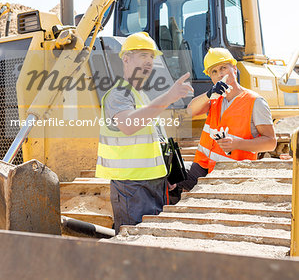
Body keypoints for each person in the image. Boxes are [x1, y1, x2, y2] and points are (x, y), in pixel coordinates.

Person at [95, 31, 194, 234]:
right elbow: (129, 125)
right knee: (134, 243)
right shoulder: (118, 94)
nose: (149, 62)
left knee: (149, 240)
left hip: (152, 182)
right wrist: (169, 97)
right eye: (143, 56)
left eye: (151, 57)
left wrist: (164, 174)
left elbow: (154, 140)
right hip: (132, 186)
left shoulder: (141, 95)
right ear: (126, 58)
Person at [178, 47, 277, 191]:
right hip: (202, 168)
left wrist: (237, 144)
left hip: (231, 174)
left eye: (223, 68)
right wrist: (209, 94)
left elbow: (270, 143)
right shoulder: (214, 99)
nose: (219, 74)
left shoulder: (255, 102)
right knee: (169, 177)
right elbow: (190, 111)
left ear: (234, 69)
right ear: (211, 77)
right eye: (214, 71)